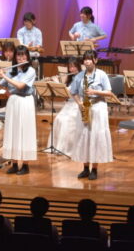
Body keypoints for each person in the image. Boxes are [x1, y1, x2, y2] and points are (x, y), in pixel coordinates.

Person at [0, 45, 36, 175]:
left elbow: (20, 86)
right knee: (12, 131)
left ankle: (25, 165)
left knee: (25, 132)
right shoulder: (11, 70)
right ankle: (14, 164)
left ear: (27, 56)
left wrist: (4, 76)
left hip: (25, 102)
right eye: (18, 55)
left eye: (23, 55)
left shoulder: (31, 70)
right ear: (15, 57)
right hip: (13, 102)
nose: (21, 58)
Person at [71, 49, 113, 180]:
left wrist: (95, 92)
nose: (87, 62)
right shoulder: (79, 76)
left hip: (98, 106)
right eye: (85, 59)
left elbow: (109, 93)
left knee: (96, 137)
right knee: (84, 136)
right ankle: (85, 168)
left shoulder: (102, 74)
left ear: (96, 60)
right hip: (85, 106)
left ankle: (94, 169)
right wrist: (79, 103)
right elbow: (73, 92)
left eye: (90, 59)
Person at [47, 57, 83, 155]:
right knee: (58, 119)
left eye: (74, 67)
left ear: (78, 67)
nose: (72, 69)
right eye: (70, 67)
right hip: (68, 105)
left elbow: (71, 92)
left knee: (65, 121)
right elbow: (65, 94)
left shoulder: (81, 77)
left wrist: (57, 83)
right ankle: (57, 146)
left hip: (77, 105)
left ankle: (66, 148)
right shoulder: (71, 78)